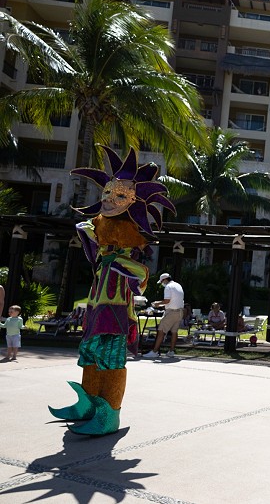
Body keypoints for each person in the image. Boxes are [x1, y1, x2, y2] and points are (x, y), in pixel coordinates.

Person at [49, 146, 173, 435]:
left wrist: (113, 258)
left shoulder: (128, 257)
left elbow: (139, 277)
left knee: (111, 361)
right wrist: (90, 238)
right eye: (106, 193)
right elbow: (96, 261)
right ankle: (89, 405)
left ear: (133, 202)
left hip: (116, 313)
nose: (108, 199)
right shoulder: (106, 251)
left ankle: (110, 413)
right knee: (91, 356)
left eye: (119, 195)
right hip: (96, 309)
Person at [143, 273, 185, 359]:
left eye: (162, 282)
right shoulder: (178, 285)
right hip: (180, 312)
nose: (162, 284)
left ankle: (154, 352)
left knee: (161, 330)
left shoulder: (168, 287)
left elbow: (167, 301)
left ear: (165, 280)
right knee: (174, 332)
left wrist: (157, 303)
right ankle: (171, 351)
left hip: (172, 312)